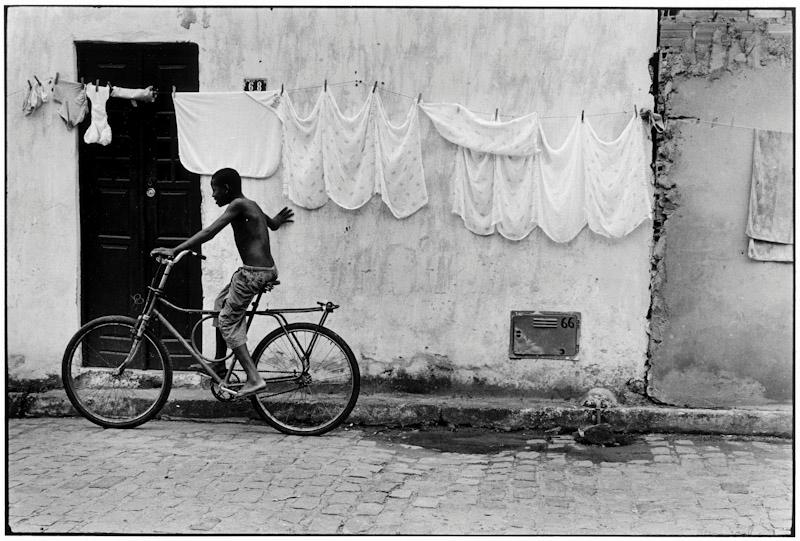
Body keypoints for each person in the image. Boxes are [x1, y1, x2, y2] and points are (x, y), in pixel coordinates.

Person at [150, 167, 294, 397]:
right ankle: (219, 364)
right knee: (220, 304)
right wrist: (277, 220)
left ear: (226, 188)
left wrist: (174, 250)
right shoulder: (250, 204)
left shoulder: (238, 205)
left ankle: (254, 378)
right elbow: (271, 224)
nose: (213, 195)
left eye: (215, 190)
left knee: (227, 321)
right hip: (255, 271)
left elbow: (209, 232)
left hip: (253, 273)